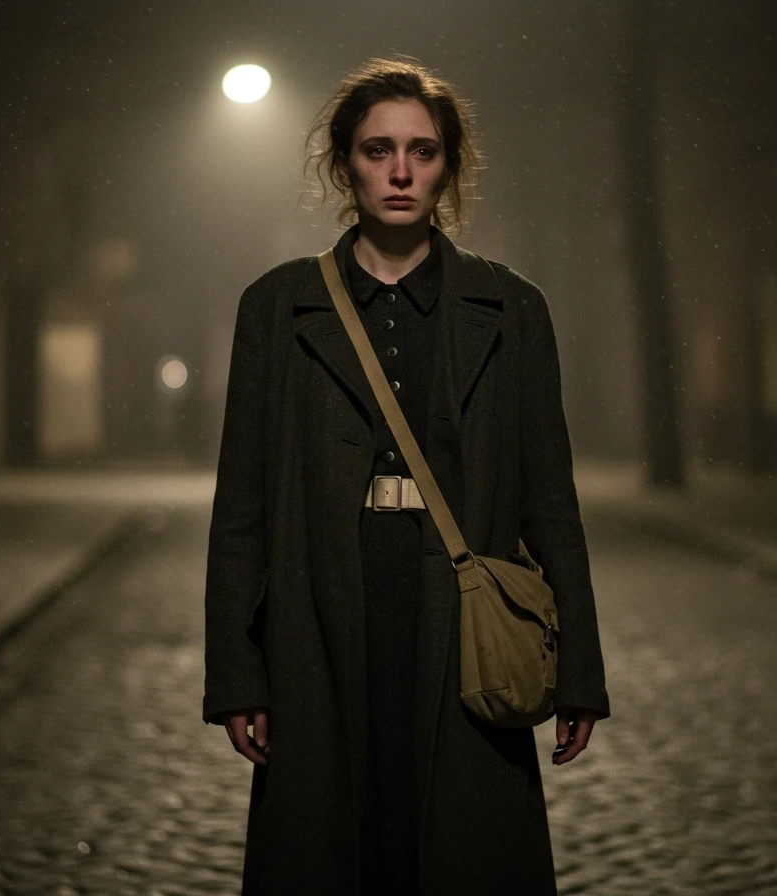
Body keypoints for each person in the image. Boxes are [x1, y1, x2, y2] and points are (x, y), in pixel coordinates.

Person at [202, 55, 610, 896]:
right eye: (377, 149)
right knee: (331, 843)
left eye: (422, 152)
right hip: (320, 603)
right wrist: (237, 673)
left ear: (449, 166)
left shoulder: (512, 308)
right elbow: (240, 506)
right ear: (343, 162)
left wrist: (580, 673)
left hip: (458, 605)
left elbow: (552, 502)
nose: (399, 171)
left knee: (460, 847)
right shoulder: (276, 307)